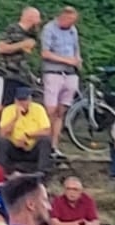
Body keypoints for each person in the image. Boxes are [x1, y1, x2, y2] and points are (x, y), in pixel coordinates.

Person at [0, 7, 42, 135]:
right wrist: (22, 45)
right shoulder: (12, 29)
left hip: (21, 75)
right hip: (6, 72)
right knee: (0, 106)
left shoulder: (32, 34)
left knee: (18, 105)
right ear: (29, 17)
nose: (40, 21)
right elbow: (1, 48)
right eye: (38, 18)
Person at [40, 6, 82, 148]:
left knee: (61, 111)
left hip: (70, 73)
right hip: (54, 72)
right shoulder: (49, 29)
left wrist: (77, 60)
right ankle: (45, 142)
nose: (72, 24)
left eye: (74, 21)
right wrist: (67, 60)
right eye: (69, 20)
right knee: (50, 110)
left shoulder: (73, 30)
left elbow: (76, 49)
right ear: (62, 17)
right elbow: (45, 53)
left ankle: (54, 144)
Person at [0, 85, 52, 175]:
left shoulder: (38, 109)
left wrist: (27, 135)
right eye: (19, 101)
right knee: (1, 143)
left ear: (30, 100)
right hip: (15, 148)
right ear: (15, 100)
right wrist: (16, 117)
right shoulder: (8, 110)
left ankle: (41, 172)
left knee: (45, 141)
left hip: (32, 148)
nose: (22, 103)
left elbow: (47, 131)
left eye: (25, 100)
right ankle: (1, 172)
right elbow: (2, 133)